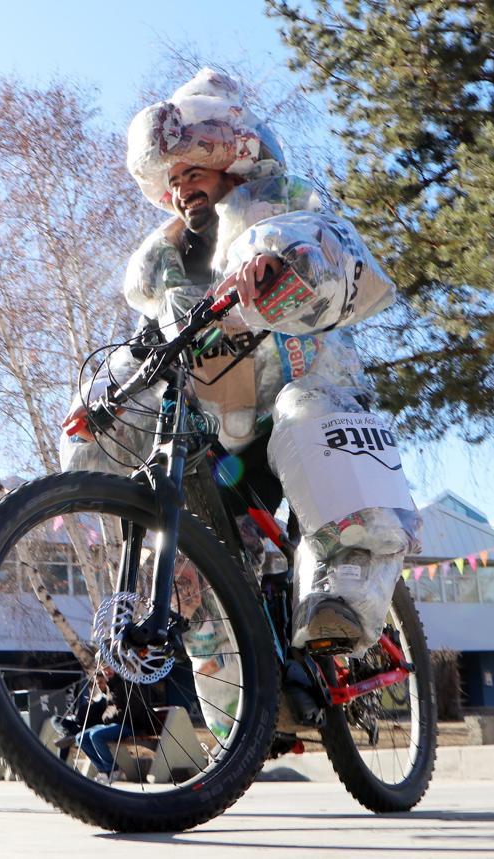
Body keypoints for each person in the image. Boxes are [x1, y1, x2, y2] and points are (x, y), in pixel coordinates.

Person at [61, 69, 420, 673]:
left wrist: (271, 257)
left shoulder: (281, 205)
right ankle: (235, 708)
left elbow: (325, 243)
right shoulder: (168, 268)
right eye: (172, 180)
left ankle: (345, 595)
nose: (182, 191)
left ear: (234, 165)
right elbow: (153, 345)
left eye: (193, 173)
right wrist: (104, 402)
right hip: (220, 436)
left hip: (299, 396)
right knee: (190, 549)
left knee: (309, 414)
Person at [74, 666, 156, 784]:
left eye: (109, 667)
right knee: (81, 737)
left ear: (116, 667)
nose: (107, 671)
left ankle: (113, 770)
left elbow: (134, 710)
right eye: (104, 669)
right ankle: (103, 771)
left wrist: (113, 716)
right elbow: (109, 709)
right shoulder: (110, 687)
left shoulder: (127, 683)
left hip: (132, 726)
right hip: (117, 724)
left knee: (96, 736)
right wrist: (108, 717)